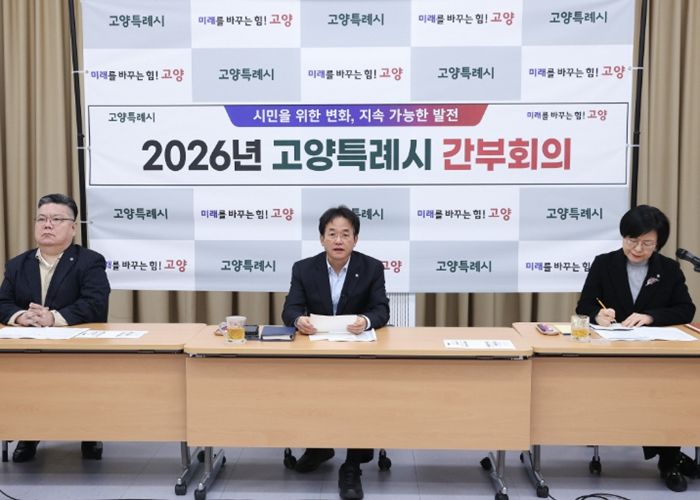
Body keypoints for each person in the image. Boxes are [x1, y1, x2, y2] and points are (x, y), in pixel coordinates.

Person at [576, 204, 697, 492]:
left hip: (656, 356)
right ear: (623, 236)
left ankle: (669, 459)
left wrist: (651, 317)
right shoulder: (604, 264)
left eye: (647, 243)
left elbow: (686, 309)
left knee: (667, 394)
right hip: (611, 354)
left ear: (658, 243)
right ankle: (670, 457)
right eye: (632, 240)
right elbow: (585, 305)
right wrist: (598, 315)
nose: (638, 249)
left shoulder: (668, 269)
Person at [282, 205, 390, 500]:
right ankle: (319, 446)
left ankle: (353, 464)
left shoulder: (371, 268)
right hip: (318, 350)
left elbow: (381, 310)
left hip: (358, 351)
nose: (338, 240)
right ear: (322, 239)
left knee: (358, 396)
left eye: (345, 234)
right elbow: (290, 308)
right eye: (332, 234)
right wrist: (298, 320)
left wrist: (365, 321)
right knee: (312, 391)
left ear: (355, 239)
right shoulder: (303, 268)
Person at [0, 193, 111, 463]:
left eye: (56, 219)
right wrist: (20, 316)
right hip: (29, 348)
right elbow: (3, 302)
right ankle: (28, 434)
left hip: (78, 347)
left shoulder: (90, 261)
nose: (47, 225)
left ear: (73, 228)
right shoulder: (17, 265)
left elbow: (95, 303)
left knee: (80, 385)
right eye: (41, 219)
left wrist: (54, 318)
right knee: (24, 383)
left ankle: (89, 433)